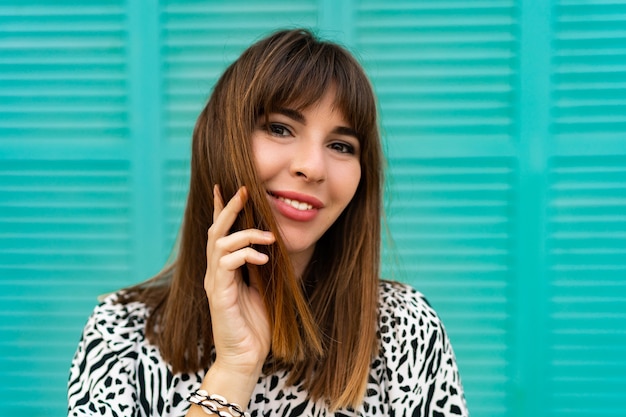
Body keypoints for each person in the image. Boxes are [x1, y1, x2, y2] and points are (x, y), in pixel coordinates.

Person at [67, 28, 469, 417]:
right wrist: (234, 371)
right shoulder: (121, 335)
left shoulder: (404, 329)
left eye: (340, 145)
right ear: (223, 143)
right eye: (280, 128)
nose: (312, 167)